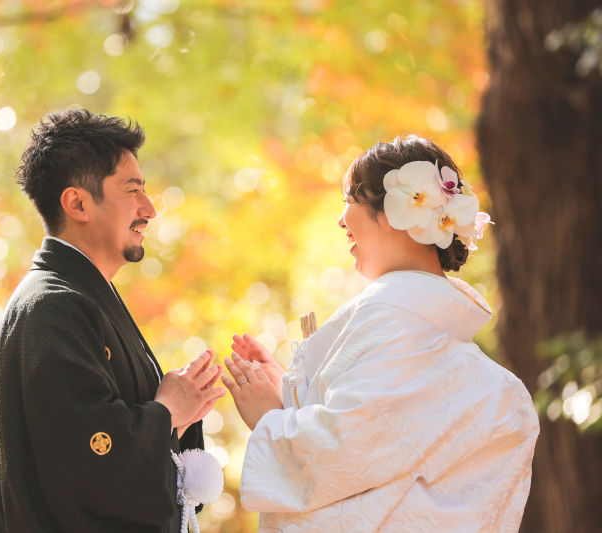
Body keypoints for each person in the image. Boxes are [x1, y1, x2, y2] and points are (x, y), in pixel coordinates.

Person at [221, 135, 539, 532]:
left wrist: (270, 418)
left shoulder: (389, 317)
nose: (341, 221)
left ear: (393, 211)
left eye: (348, 201)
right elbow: (381, 451)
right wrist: (292, 394)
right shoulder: (482, 373)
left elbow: (345, 454)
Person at [0, 109, 226, 533]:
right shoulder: (52, 306)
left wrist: (178, 417)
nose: (149, 208)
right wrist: (166, 411)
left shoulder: (82, 296)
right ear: (78, 203)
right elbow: (87, 464)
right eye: (133, 190)